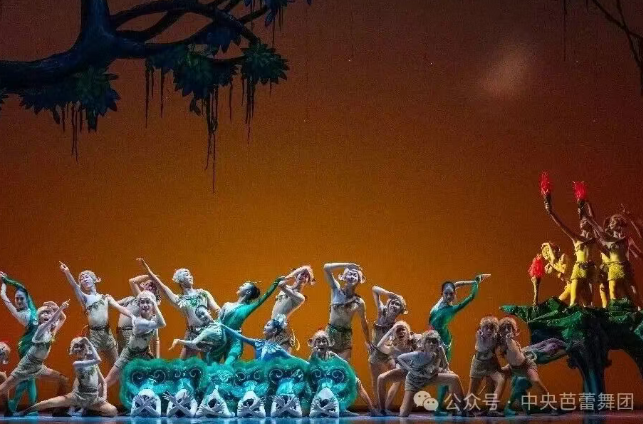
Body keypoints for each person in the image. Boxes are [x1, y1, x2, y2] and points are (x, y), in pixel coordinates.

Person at [428, 273, 489, 414]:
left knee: (445, 373)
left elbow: (471, 297)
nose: (449, 296)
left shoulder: (452, 309)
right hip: (434, 340)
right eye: (446, 293)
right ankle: (450, 406)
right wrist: (472, 280)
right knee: (443, 373)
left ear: (454, 294)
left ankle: (441, 407)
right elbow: (457, 284)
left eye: (451, 294)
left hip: (443, 343)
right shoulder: (440, 303)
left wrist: (476, 283)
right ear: (442, 294)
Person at [138, 258, 219, 359]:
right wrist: (149, 272)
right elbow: (163, 287)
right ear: (180, 281)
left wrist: (220, 316)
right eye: (186, 275)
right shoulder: (179, 299)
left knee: (209, 364)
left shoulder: (203, 293)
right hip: (193, 334)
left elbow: (216, 308)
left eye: (190, 274)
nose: (190, 276)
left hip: (208, 333)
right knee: (182, 365)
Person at [17, 338, 117, 417]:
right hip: (78, 397)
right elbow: (98, 359)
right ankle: (26, 411)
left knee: (113, 411)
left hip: (93, 398)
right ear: (73, 350)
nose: (79, 348)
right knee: (49, 403)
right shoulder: (77, 364)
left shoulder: (94, 364)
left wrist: (104, 397)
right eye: (76, 346)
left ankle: (88, 410)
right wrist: (88, 342)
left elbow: (103, 382)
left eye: (82, 346)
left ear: (86, 348)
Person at [0, 301, 70, 398]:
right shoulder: (40, 329)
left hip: (38, 366)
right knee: (4, 388)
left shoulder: (51, 332)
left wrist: (56, 307)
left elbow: (62, 318)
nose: (46, 314)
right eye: (43, 313)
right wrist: (61, 308)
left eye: (48, 312)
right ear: (38, 319)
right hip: (26, 365)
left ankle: (59, 406)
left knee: (63, 380)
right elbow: (51, 321)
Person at [59, 263, 119, 367]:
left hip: (106, 333)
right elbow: (74, 286)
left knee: (116, 364)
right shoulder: (84, 298)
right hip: (94, 335)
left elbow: (117, 305)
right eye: (82, 279)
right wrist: (67, 272)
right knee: (90, 365)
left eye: (87, 277)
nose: (84, 279)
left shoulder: (104, 297)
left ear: (95, 280)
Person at [307, 329, 379, 415]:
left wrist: (353, 378)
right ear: (314, 344)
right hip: (318, 391)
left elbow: (345, 365)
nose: (321, 344)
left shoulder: (332, 355)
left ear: (329, 343)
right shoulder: (312, 357)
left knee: (357, 382)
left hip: (332, 388)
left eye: (324, 341)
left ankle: (372, 409)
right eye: (318, 341)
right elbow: (308, 374)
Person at [103, 291, 166, 388]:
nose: (145, 305)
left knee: (156, 377)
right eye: (142, 302)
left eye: (148, 302)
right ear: (139, 305)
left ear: (152, 304)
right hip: (129, 354)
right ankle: (94, 395)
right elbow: (162, 323)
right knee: (111, 379)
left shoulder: (153, 319)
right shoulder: (138, 321)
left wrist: (157, 359)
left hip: (143, 354)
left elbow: (155, 338)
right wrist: (154, 303)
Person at [397, 330, 465, 417]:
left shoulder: (439, 350)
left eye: (434, 342)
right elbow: (400, 358)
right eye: (429, 342)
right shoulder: (417, 354)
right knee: (403, 413)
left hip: (429, 377)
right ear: (424, 344)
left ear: (437, 344)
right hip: (414, 381)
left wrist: (444, 370)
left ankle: (463, 409)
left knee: (454, 378)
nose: (432, 344)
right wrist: (410, 370)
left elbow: (445, 365)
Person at [217, 276, 283, 363]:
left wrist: (275, 283)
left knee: (227, 366)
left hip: (235, 342)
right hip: (220, 339)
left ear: (248, 292)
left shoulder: (248, 308)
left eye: (243, 285)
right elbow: (218, 321)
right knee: (211, 365)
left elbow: (265, 297)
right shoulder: (227, 305)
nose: (240, 286)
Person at [0, 272, 38, 413]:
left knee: (30, 377)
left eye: (21, 298)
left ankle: (25, 406)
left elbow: (22, 287)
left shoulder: (32, 308)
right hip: (27, 346)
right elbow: (3, 295)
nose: (19, 301)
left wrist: (7, 279)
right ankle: (17, 404)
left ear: (27, 299)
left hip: (35, 345)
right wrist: (3, 283)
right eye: (16, 299)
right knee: (27, 376)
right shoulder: (19, 314)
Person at [545, 202, 595, 306]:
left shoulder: (592, 237)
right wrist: (551, 213)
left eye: (585, 221)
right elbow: (562, 226)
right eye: (581, 221)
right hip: (578, 268)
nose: (582, 222)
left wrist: (588, 203)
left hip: (589, 270)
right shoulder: (576, 238)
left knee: (587, 302)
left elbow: (593, 220)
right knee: (574, 299)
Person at [496, 317, 550, 416]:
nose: (507, 330)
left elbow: (512, 347)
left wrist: (508, 339)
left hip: (526, 366)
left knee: (534, 381)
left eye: (509, 328)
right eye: (504, 328)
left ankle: (551, 405)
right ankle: (526, 407)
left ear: (514, 330)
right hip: (513, 368)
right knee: (504, 378)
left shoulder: (510, 341)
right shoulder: (500, 343)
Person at [367, 286, 407, 407]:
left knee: (398, 377)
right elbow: (374, 289)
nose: (394, 305)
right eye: (392, 303)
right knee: (376, 381)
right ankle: (379, 407)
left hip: (387, 353)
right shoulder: (381, 312)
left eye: (397, 304)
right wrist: (388, 293)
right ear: (388, 304)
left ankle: (387, 405)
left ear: (401, 310)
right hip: (376, 352)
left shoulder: (397, 326)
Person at [323, 263, 370, 360]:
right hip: (330, 334)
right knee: (327, 364)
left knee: (342, 366)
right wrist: (347, 265)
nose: (352, 276)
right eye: (349, 274)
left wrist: (368, 341)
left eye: (355, 275)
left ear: (359, 280)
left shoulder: (359, 302)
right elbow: (326, 268)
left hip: (345, 338)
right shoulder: (336, 290)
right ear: (343, 277)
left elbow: (364, 323)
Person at [374, 321, 416, 414]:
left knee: (405, 411)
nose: (401, 332)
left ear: (408, 332)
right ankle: (383, 409)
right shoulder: (393, 348)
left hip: (414, 373)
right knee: (381, 378)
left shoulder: (414, 344)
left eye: (403, 329)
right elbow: (379, 346)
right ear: (395, 334)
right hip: (402, 371)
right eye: (398, 330)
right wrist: (391, 330)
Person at [466, 316, 504, 414]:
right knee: (473, 388)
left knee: (493, 385)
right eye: (486, 327)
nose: (489, 330)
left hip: (491, 363)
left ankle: (490, 409)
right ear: (482, 328)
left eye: (491, 328)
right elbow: (483, 343)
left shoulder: (496, 336)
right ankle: (468, 409)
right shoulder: (480, 336)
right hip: (478, 363)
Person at [271, 266, 314, 351]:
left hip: (283, 333)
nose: (303, 276)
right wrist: (300, 270)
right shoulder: (284, 288)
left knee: (282, 359)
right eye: (302, 274)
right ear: (296, 275)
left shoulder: (300, 297)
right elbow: (280, 283)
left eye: (306, 276)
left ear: (307, 281)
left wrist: (301, 270)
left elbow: (280, 285)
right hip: (272, 329)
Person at [116, 275, 161, 357]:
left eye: (153, 286)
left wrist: (150, 275)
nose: (150, 287)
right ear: (142, 285)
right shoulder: (130, 299)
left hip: (132, 333)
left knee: (130, 359)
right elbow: (113, 304)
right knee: (122, 360)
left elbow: (132, 281)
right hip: (120, 333)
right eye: (147, 284)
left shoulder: (147, 301)